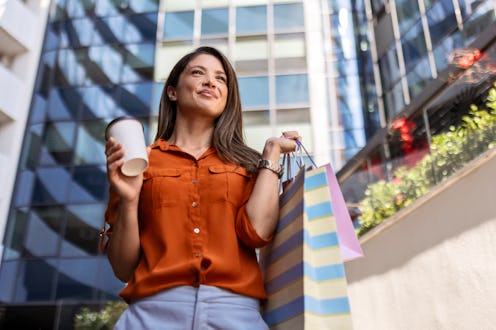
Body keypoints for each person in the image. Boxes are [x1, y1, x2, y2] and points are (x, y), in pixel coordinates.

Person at [103, 46, 301, 329]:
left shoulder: (247, 165)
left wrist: (270, 153)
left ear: (227, 97)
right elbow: (123, 268)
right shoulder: (140, 162)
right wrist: (130, 199)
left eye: (221, 79)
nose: (211, 82)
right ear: (173, 91)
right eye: (198, 73)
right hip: (152, 313)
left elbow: (258, 232)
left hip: (235, 313)